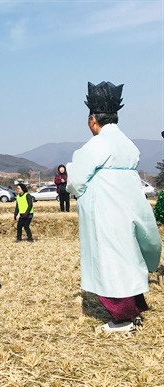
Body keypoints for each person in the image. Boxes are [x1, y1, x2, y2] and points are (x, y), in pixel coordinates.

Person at [67, 81, 161, 332]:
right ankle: (134, 310)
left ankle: (123, 319)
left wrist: (78, 188)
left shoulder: (95, 145)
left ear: (93, 120)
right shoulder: (129, 145)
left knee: (110, 260)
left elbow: (76, 181)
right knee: (128, 255)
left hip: (106, 210)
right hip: (130, 205)